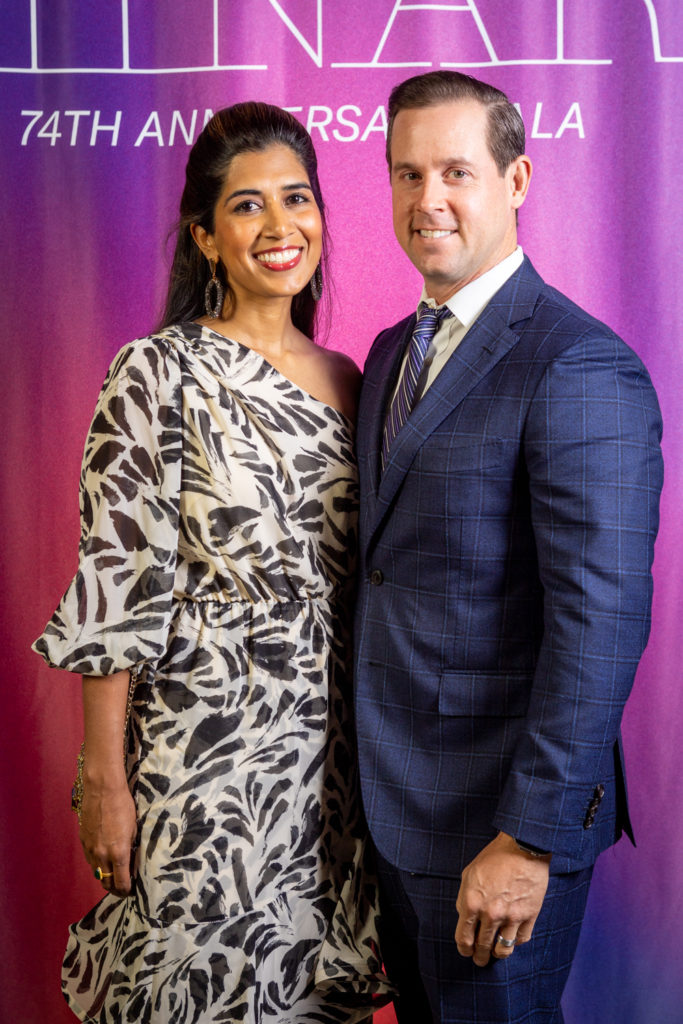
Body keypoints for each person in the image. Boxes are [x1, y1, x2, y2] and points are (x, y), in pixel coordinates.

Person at [33, 101, 393, 1024]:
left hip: (329, 767)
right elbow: (117, 581)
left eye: (296, 198)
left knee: (307, 995)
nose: (279, 226)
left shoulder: (354, 382)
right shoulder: (156, 372)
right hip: (201, 752)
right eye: (246, 205)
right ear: (204, 236)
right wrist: (105, 780)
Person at [353, 70, 663, 1024]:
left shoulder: (577, 362)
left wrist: (528, 839)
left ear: (516, 179)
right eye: (407, 174)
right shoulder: (388, 353)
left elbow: (600, 621)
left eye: (455, 171)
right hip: (390, 811)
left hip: (497, 826)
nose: (427, 200)